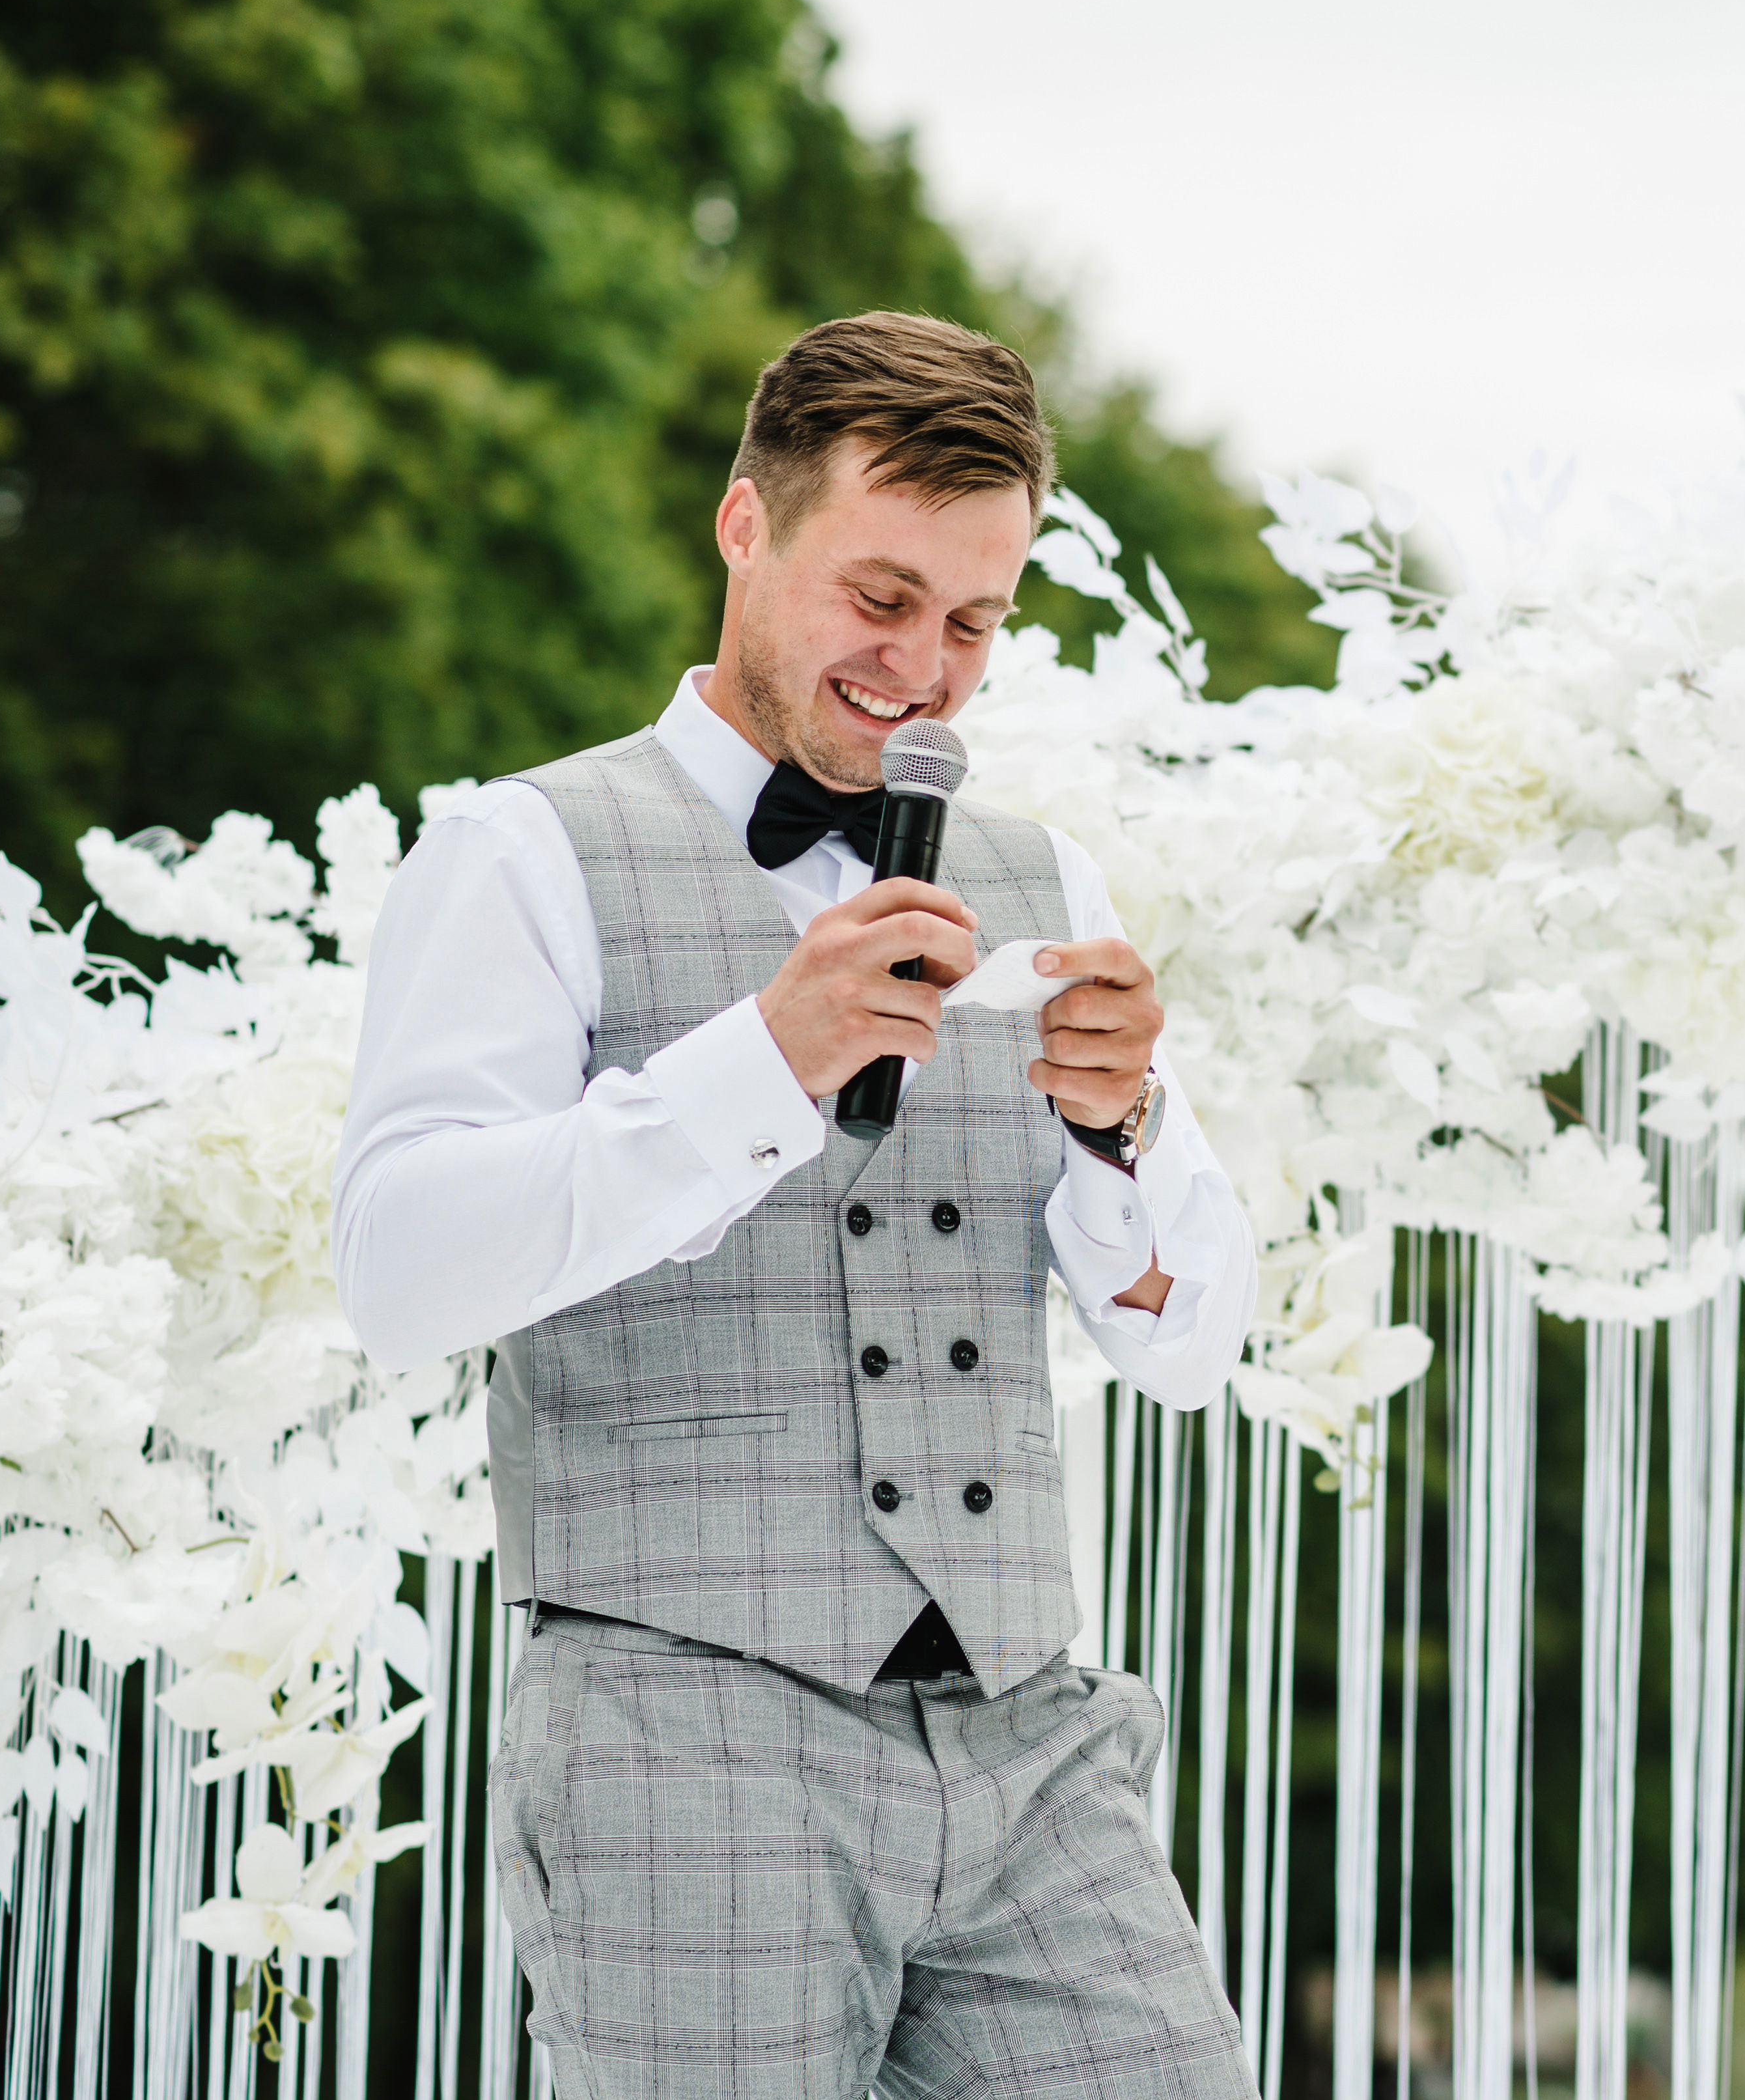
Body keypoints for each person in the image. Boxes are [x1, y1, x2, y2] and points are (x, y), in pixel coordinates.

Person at [331, 312, 1259, 2097]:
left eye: (976, 621)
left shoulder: (1045, 875)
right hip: (685, 1734)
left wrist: (1120, 1129)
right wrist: (762, 1061)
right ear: (745, 527)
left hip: (1029, 1736)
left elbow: (1190, 1348)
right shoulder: (520, 854)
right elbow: (402, 1272)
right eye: (881, 596)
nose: (925, 669)